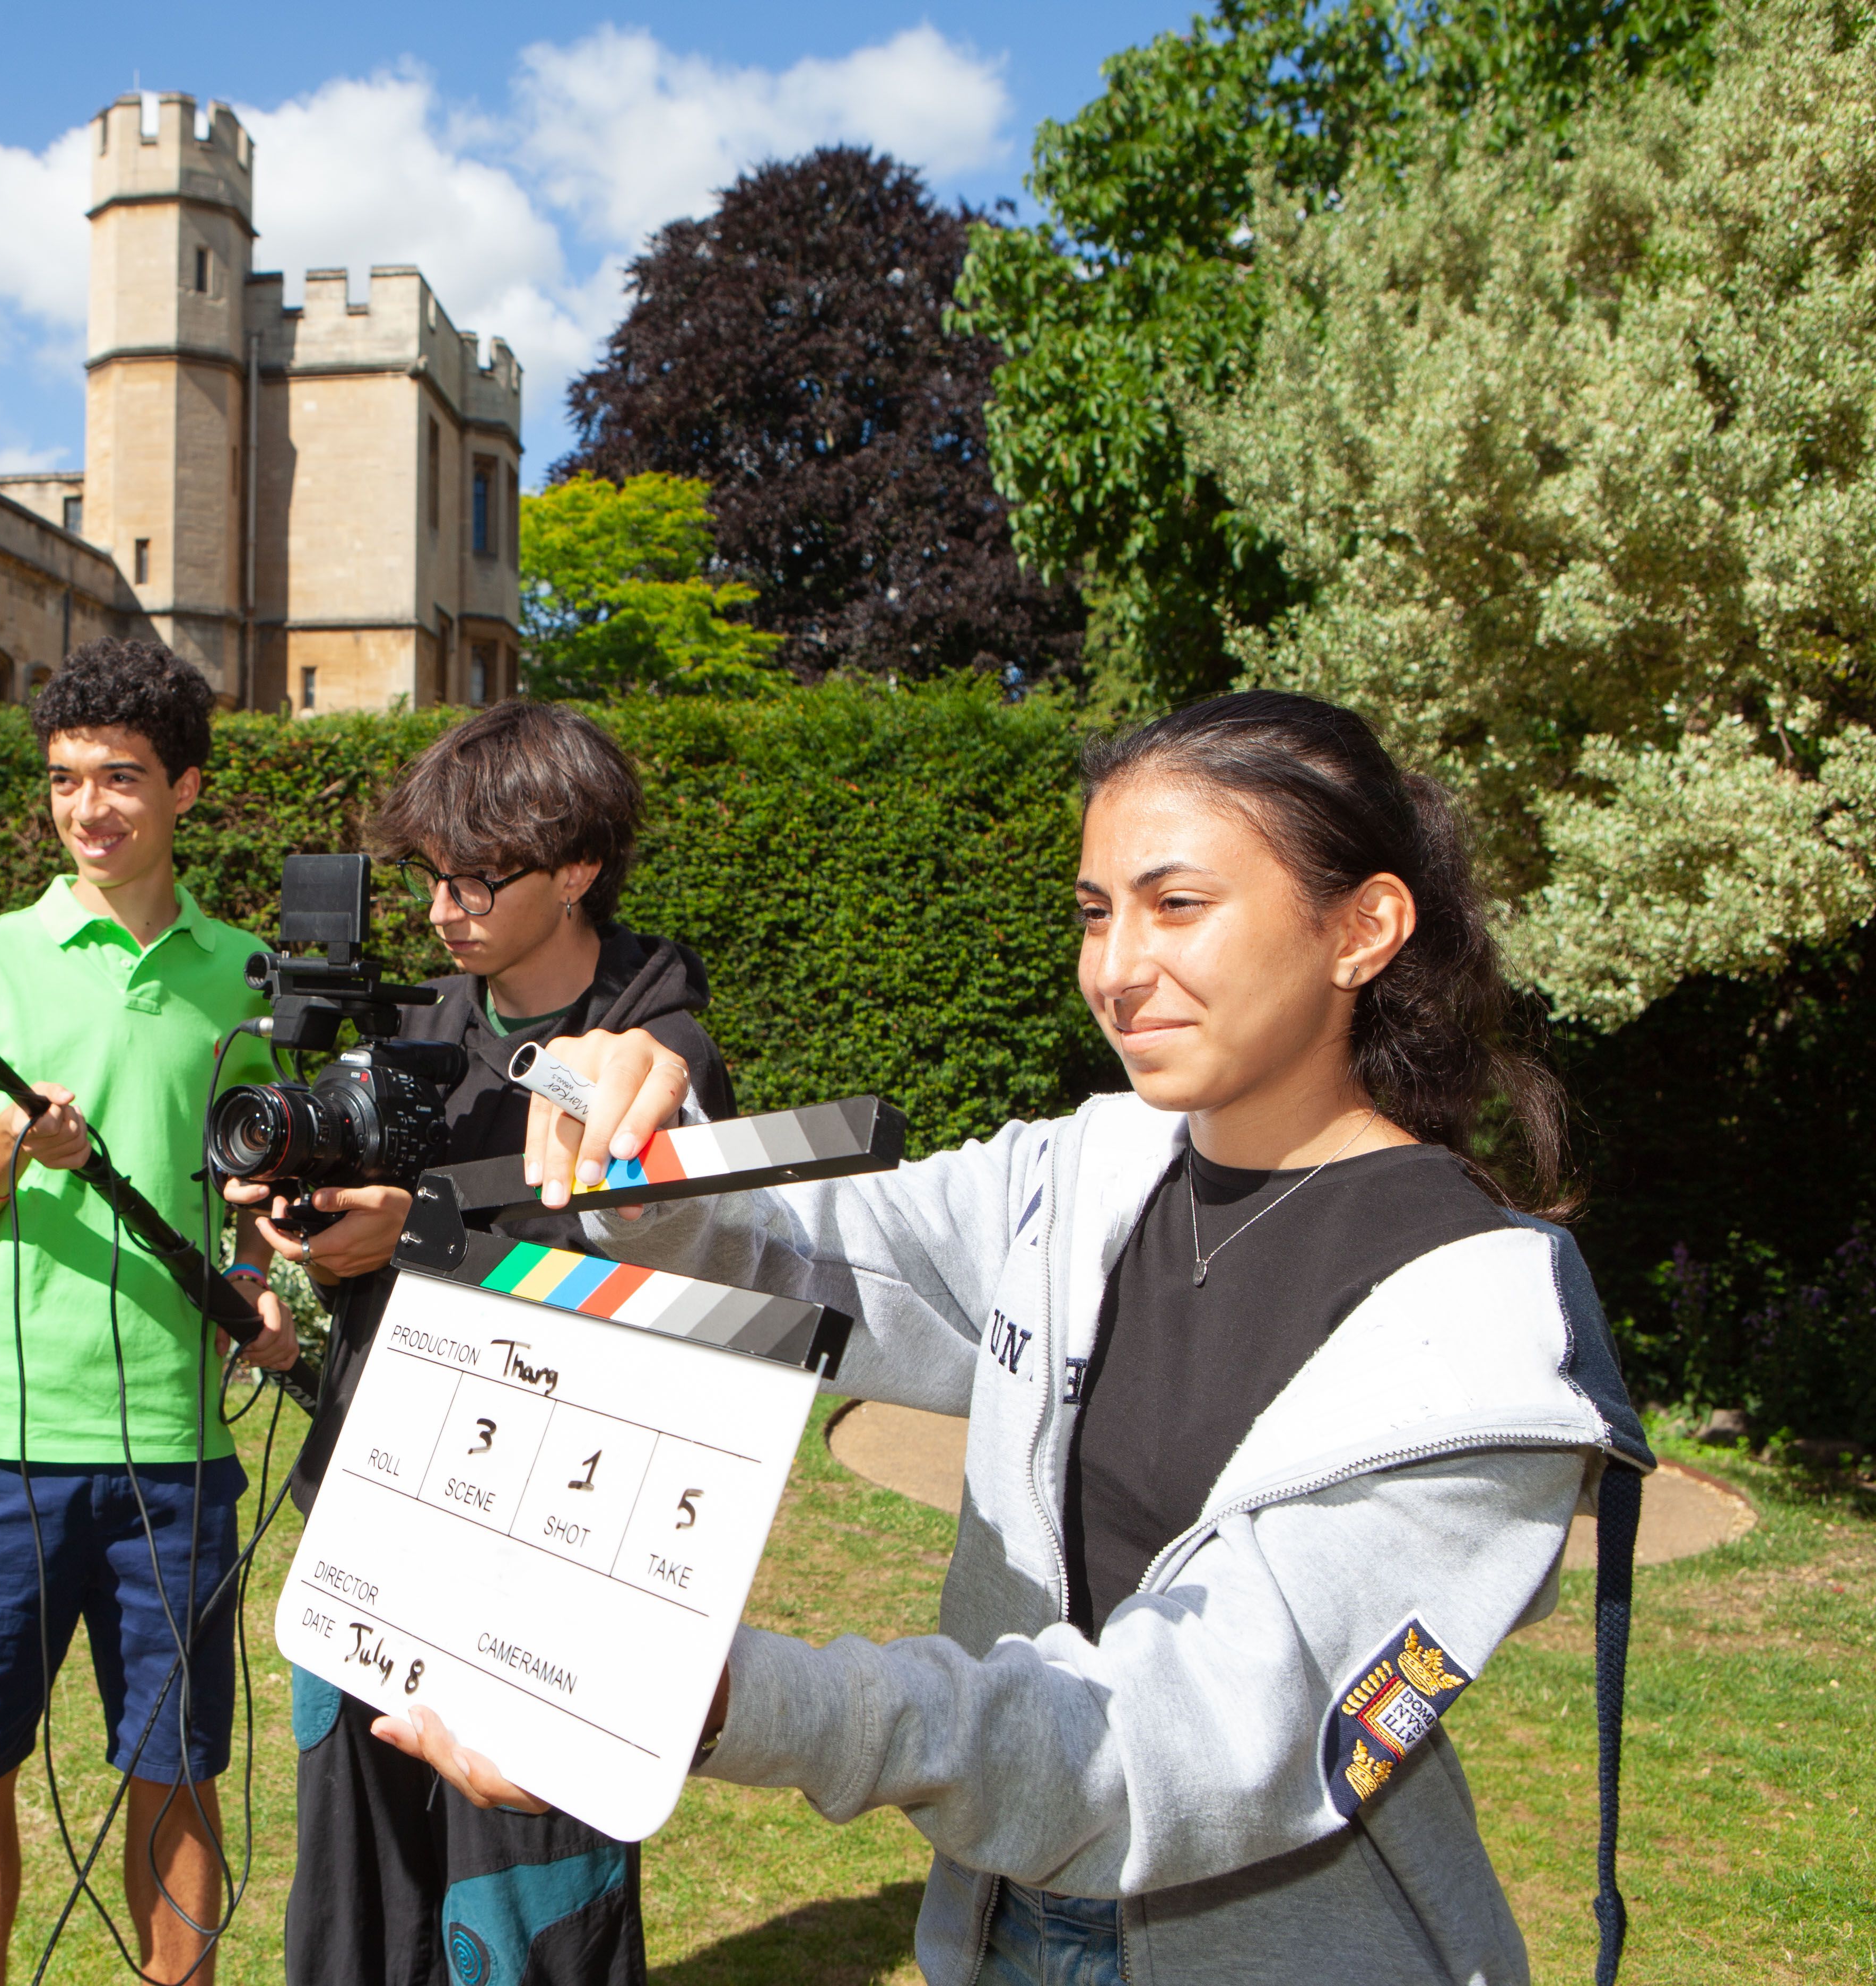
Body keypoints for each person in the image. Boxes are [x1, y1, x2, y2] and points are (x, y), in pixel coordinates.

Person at [380, 691, 1653, 1985]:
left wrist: (715, 1696)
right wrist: (656, 1179)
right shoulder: (1084, 1172)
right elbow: (805, 1255)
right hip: (1002, 1927)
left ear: (1364, 928)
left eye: (1178, 906)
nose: (1116, 967)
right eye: (1097, 913)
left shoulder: (1482, 1327)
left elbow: (1185, 1746)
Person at [227, 699, 737, 1986]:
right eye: (430, 876)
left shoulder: (650, 1061)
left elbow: (641, 1309)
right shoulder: (424, 1033)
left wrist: (415, 1236)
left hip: (549, 1556)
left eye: (479, 878)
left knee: (524, 1918)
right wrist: (305, 1222)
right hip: (370, 1516)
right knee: (358, 1904)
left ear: (576, 871)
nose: (446, 907)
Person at [0, 639, 300, 1986]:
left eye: (122, 779)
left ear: (185, 787)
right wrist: (13, 1139)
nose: (90, 810)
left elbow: (253, 1194)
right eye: (67, 781)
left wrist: (260, 1284)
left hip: (175, 1450)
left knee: (175, 1768)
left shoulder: (248, 978)